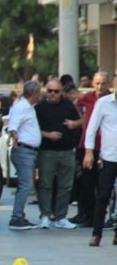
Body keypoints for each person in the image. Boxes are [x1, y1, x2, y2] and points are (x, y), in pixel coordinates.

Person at [35, 78, 82, 229]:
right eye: (50, 91)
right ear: (46, 91)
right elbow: (32, 129)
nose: (53, 94)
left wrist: (74, 124)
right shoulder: (39, 108)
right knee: (45, 185)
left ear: (61, 92)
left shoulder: (68, 105)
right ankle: (45, 216)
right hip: (47, 151)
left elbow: (82, 120)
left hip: (67, 151)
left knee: (65, 187)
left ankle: (61, 217)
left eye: (56, 91)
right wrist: (48, 135)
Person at [71, 71, 111, 226]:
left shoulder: (111, 99)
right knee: (86, 183)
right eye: (97, 83)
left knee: (103, 185)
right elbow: (75, 104)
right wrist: (81, 120)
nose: (100, 87)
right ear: (93, 84)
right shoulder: (87, 97)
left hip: (105, 147)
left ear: (108, 84)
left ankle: (101, 217)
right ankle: (87, 215)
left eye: (103, 83)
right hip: (87, 146)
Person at [83, 83, 117, 246]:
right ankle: (97, 233)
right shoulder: (104, 103)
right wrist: (89, 152)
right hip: (109, 156)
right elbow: (91, 128)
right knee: (103, 195)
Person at [7, 80, 43, 230]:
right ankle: (16, 217)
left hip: (28, 151)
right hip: (24, 150)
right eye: (39, 92)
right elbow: (13, 126)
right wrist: (15, 140)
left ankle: (19, 216)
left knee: (25, 184)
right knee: (25, 185)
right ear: (34, 93)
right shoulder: (21, 107)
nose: (40, 95)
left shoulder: (28, 107)